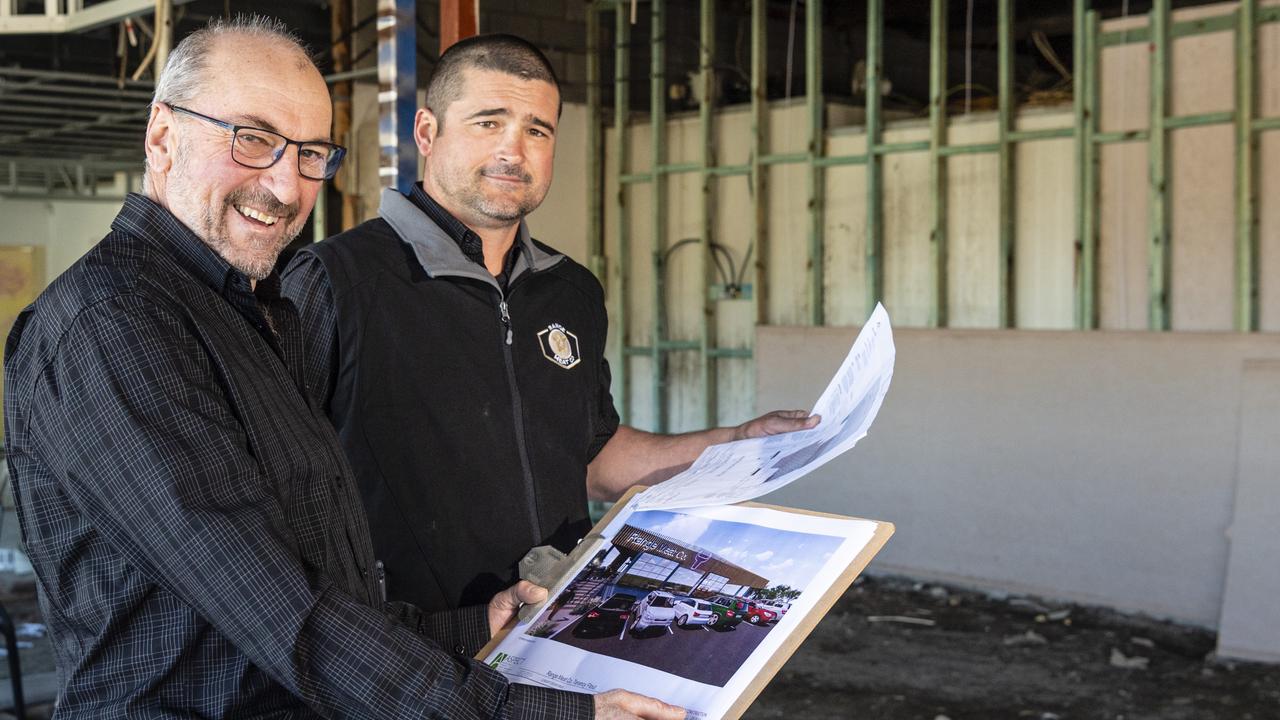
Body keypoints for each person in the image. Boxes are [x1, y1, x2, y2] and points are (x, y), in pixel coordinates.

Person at [3, 17, 681, 720]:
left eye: (309, 155)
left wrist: (474, 626)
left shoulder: (247, 314)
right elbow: (286, 617)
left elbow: (323, 595)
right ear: (162, 137)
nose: (284, 186)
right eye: (253, 139)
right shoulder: (115, 325)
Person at [282, 34, 818, 617]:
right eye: (489, 123)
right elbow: (277, 491)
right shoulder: (335, 280)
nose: (515, 150)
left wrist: (734, 444)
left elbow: (592, 458)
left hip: (552, 627)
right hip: (411, 651)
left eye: (537, 130)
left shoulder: (572, 291)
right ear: (427, 133)